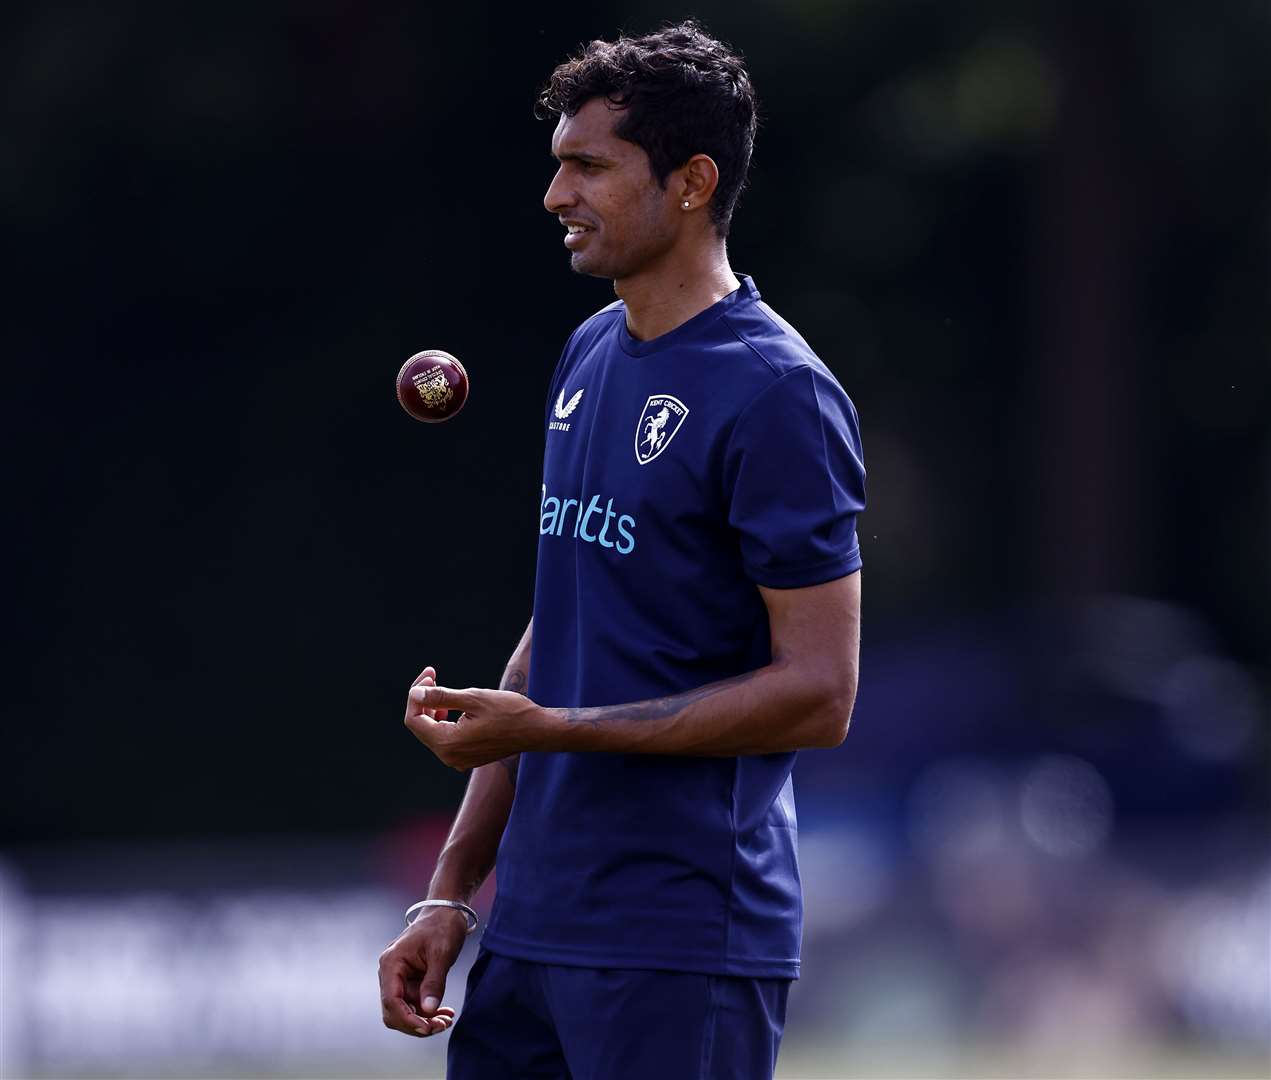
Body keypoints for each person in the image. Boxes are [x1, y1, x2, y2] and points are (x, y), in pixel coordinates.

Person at [378, 19, 866, 1079]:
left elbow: (821, 694)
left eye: (588, 168)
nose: (556, 196)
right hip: (534, 931)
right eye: (558, 167)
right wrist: (449, 890)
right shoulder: (589, 351)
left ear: (690, 182)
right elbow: (559, 624)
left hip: (678, 939)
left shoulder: (777, 394)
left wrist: (551, 726)